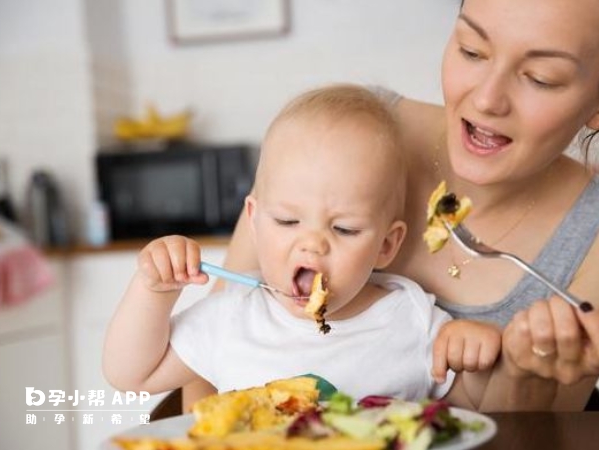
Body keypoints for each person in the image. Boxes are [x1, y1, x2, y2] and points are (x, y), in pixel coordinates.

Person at [186, 0, 599, 412]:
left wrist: (524, 375)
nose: (488, 99)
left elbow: (541, 430)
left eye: (542, 78)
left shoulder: (590, 232)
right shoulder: (346, 132)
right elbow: (208, 363)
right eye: (472, 50)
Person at [102, 84, 501, 409]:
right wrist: (153, 290)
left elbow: (470, 415)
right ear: (254, 222)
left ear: (386, 245)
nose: (311, 245)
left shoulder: (412, 320)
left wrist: (474, 360)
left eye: (344, 229)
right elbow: (130, 375)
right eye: (288, 221)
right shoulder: (233, 316)